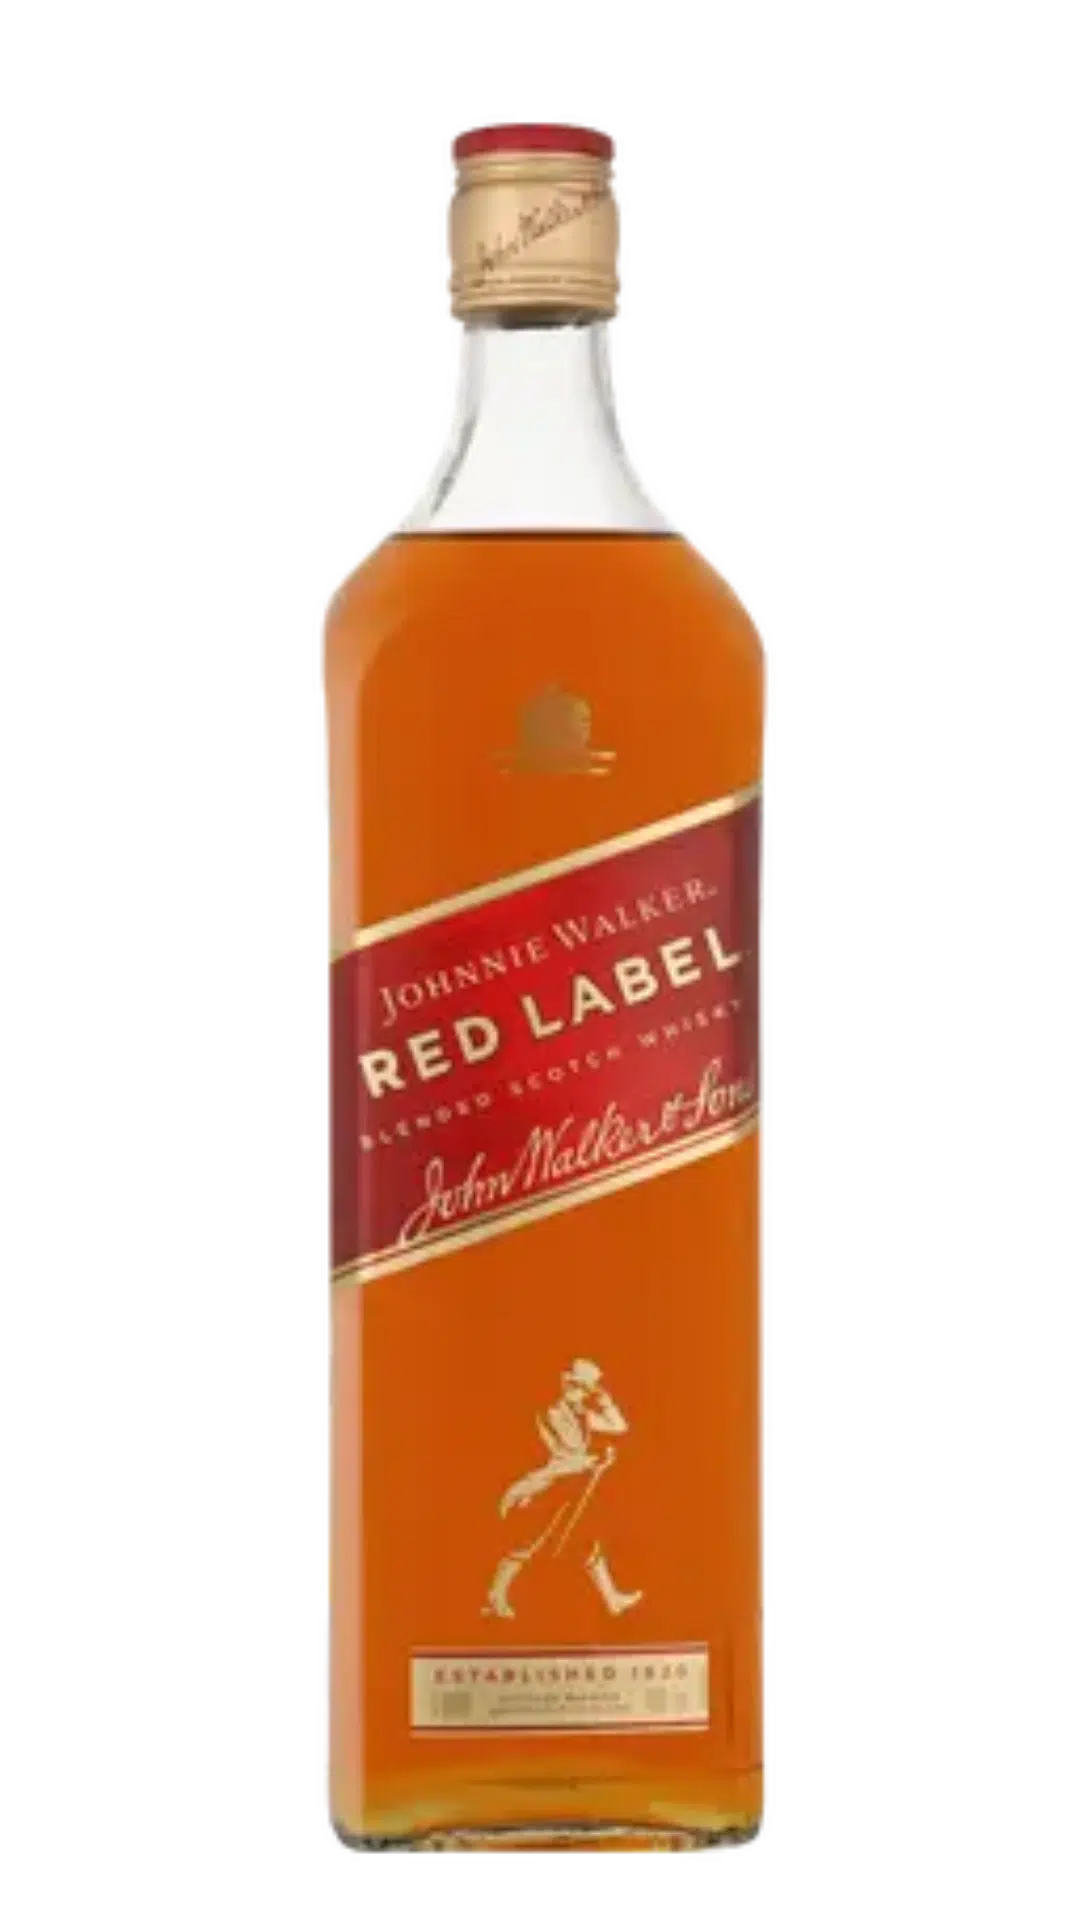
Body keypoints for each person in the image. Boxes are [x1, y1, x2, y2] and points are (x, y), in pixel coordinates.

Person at [482, 1357, 643, 1620]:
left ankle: (613, 1600)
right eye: (576, 1386)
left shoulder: (580, 1414)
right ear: (564, 1384)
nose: (579, 1393)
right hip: (546, 1486)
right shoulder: (553, 1412)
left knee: (587, 1543)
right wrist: (597, 1460)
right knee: (526, 1543)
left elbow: (619, 1427)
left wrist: (604, 1400)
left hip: (569, 1487)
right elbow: (567, 1456)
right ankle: (495, 1596)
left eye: (585, 1389)